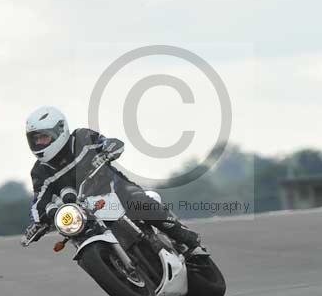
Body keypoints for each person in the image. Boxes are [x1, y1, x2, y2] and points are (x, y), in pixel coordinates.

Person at [21, 106, 201, 253]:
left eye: (43, 137)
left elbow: (108, 142)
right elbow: (39, 201)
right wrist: (37, 222)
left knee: (140, 203)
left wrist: (109, 149)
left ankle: (187, 240)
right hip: (85, 213)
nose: (39, 143)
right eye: (35, 139)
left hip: (117, 191)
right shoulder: (40, 172)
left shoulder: (82, 138)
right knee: (76, 235)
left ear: (60, 130)